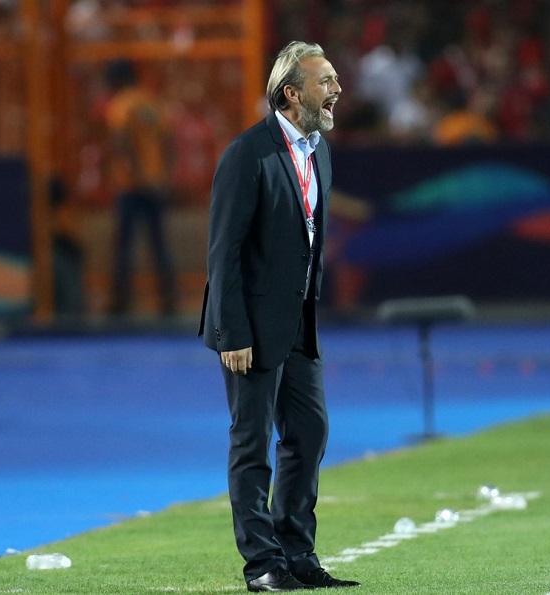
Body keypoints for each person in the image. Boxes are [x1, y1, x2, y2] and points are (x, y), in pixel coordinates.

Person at [198, 41, 360, 592]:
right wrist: (232, 332)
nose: (337, 88)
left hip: (298, 324)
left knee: (309, 432)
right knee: (252, 443)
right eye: (326, 81)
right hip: (249, 327)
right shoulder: (248, 154)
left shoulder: (319, 152)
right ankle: (262, 565)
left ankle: (297, 553)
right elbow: (224, 253)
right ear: (292, 93)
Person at [104, 60, 177, 316]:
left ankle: (121, 300)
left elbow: (121, 141)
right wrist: (163, 174)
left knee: (124, 244)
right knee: (159, 243)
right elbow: (168, 141)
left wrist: (136, 172)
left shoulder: (121, 105)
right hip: (155, 183)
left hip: (132, 184)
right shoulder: (152, 103)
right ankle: (168, 299)